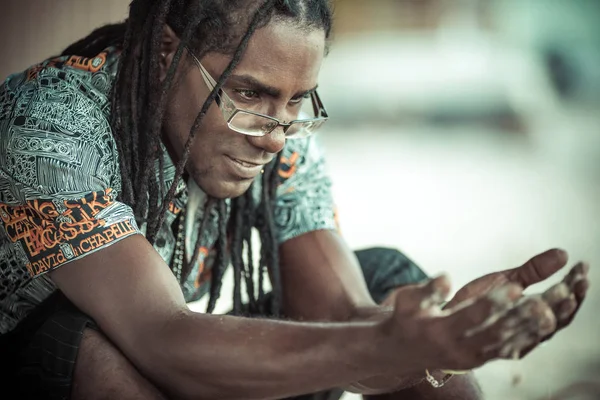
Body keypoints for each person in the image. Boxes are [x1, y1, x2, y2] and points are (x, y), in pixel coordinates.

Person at [0, 0, 590, 399]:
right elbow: (162, 336)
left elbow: (345, 316)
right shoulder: (51, 124)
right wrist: (388, 347)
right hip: (60, 362)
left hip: (166, 346)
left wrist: (440, 341)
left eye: (297, 101)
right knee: (83, 346)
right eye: (248, 92)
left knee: (390, 287)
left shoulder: (278, 131)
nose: (276, 134)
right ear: (165, 55)